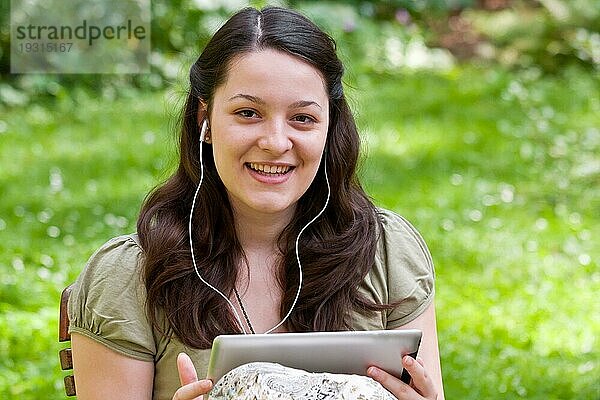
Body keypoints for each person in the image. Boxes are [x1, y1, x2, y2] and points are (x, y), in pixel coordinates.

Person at [68, 6, 444, 400]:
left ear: (330, 127)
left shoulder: (386, 251)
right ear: (205, 121)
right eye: (248, 113)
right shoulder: (131, 276)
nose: (276, 142)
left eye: (302, 118)